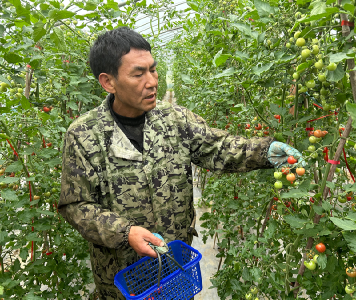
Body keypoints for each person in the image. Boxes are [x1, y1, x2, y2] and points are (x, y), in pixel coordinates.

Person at [58, 27, 305, 299]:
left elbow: (217, 147)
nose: (152, 81)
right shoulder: (84, 135)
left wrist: (265, 150)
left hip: (176, 267)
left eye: (153, 70)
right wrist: (125, 232)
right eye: (138, 74)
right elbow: (75, 204)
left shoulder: (174, 119)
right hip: (123, 278)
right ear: (108, 82)